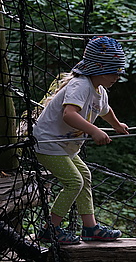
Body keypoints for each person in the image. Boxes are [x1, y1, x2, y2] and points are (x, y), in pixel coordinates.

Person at [33, 36, 129, 244]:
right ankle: (50, 229)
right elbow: (69, 114)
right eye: (113, 71)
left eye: (118, 72)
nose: (117, 76)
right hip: (47, 143)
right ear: (98, 69)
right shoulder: (80, 85)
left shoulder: (99, 91)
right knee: (74, 182)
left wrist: (116, 125)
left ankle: (90, 228)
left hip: (65, 146)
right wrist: (94, 130)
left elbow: (105, 110)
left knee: (84, 175)